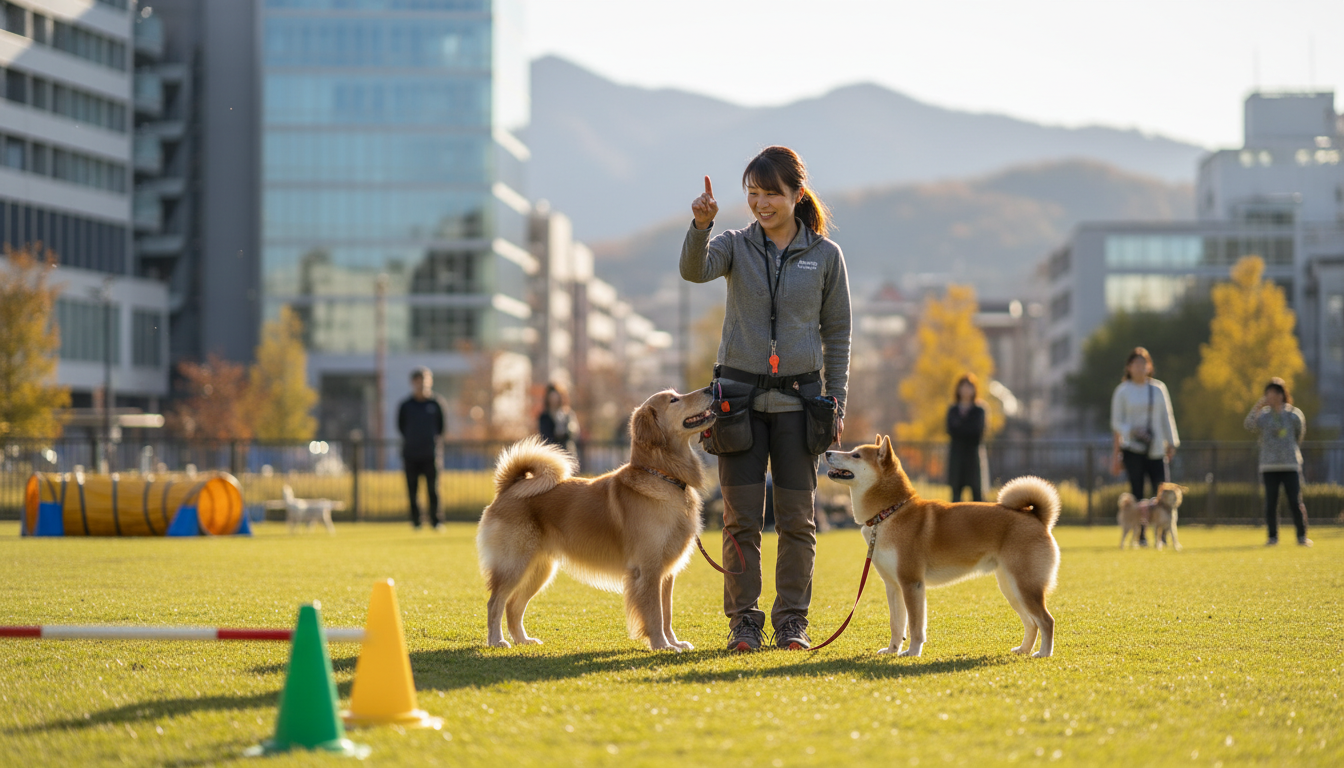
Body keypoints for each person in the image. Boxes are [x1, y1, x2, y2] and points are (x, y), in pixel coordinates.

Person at [681, 146, 851, 652]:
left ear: (797, 195)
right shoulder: (733, 245)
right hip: (738, 404)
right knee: (740, 521)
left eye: (771, 193)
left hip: (802, 407)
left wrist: (835, 401)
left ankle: (792, 622)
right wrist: (700, 225)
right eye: (752, 194)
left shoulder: (825, 256)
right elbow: (694, 270)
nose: (760, 203)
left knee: (799, 521)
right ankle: (744, 624)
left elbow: (837, 334)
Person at [1109, 347, 1179, 546]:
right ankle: (1140, 535)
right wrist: (1131, 430)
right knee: (1138, 493)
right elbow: (1116, 422)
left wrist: (1172, 442)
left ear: (1149, 366)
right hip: (1133, 449)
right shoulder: (1122, 391)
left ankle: (1163, 535)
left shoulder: (1158, 389)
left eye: (1144, 363)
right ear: (1129, 367)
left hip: (1156, 448)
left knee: (1162, 493)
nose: (1140, 368)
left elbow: (1167, 416)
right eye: (1136, 364)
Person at [1245, 378, 1311, 547]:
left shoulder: (1294, 415)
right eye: (1267, 394)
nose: (1270, 396)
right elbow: (1249, 425)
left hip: (1290, 465)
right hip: (1269, 466)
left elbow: (1299, 435)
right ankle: (1272, 537)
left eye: (1273, 393)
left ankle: (1301, 536)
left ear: (1281, 395)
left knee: (1295, 501)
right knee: (1271, 503)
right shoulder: (1264, 416)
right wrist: (1258, 406)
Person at [397, 367, 448, 530]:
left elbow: (441, 428)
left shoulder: (436, 404)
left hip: (430, 454)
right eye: (418, 381)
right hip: (411, 454)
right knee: (412, 491)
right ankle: (416, 521)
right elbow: (401, 427)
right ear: (413, 382)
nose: (421, 384)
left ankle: (436, 522)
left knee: (433, 490)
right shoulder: (406, 406)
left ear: (429, 382)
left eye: (424, 380)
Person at [946, 374, 987, 502]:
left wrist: (960, 426)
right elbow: (950, 430)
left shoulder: (979, 410)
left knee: (977, 494)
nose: (965, 390)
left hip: (973, 456)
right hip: (957, 456)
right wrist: (966, 427)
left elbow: (977, 432)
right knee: (956, 494)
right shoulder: (952, 410)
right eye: (963, 387)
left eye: (969, 387)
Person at [537, 383, 579, 458]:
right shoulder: (544, 417)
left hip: (567, 452)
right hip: (550, 453)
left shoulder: (567, 414)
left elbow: (573, 433)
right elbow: (545, 436)